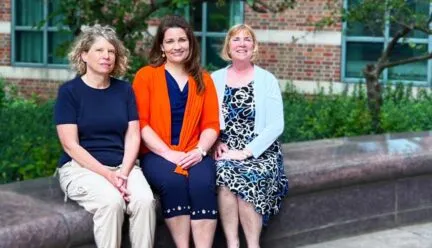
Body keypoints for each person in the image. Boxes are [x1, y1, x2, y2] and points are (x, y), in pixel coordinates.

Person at [54, 24, 155, 248]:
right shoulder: (69, 92)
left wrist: (124, 172)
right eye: (99, 50)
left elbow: (133, 136)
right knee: (111, 202)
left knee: (145, 201)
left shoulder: (124, 90)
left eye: (111, 51)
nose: (106, 56)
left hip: (123, 166)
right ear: (84, 55)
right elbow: (71, 146)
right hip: (81, 168)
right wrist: (108, 176)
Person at [132, 15, 220, 248]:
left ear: (190, 43)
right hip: (156, 153)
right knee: (173, 182)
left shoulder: (204, 79)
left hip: (194, 151)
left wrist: (200, 150)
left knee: (202, 183)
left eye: (182, 40)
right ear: (161, 46)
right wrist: (167, 153)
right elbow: (141, 123)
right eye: (170, 41)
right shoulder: (146, 76)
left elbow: (212, 124)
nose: (177, 46)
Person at [211, 24, 289, 248]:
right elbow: (207, 118)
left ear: (253, 46)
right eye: (236, 39)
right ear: (228, 46)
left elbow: (276, 125)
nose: (242, 44)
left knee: (249, 176)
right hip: (227, 148)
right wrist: (216, 140)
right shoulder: (215, 79)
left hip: (261, 151)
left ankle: (253, 245)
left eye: (247, 40)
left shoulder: (267, 80)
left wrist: (247, 152)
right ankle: (233, 243)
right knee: (224, 174)